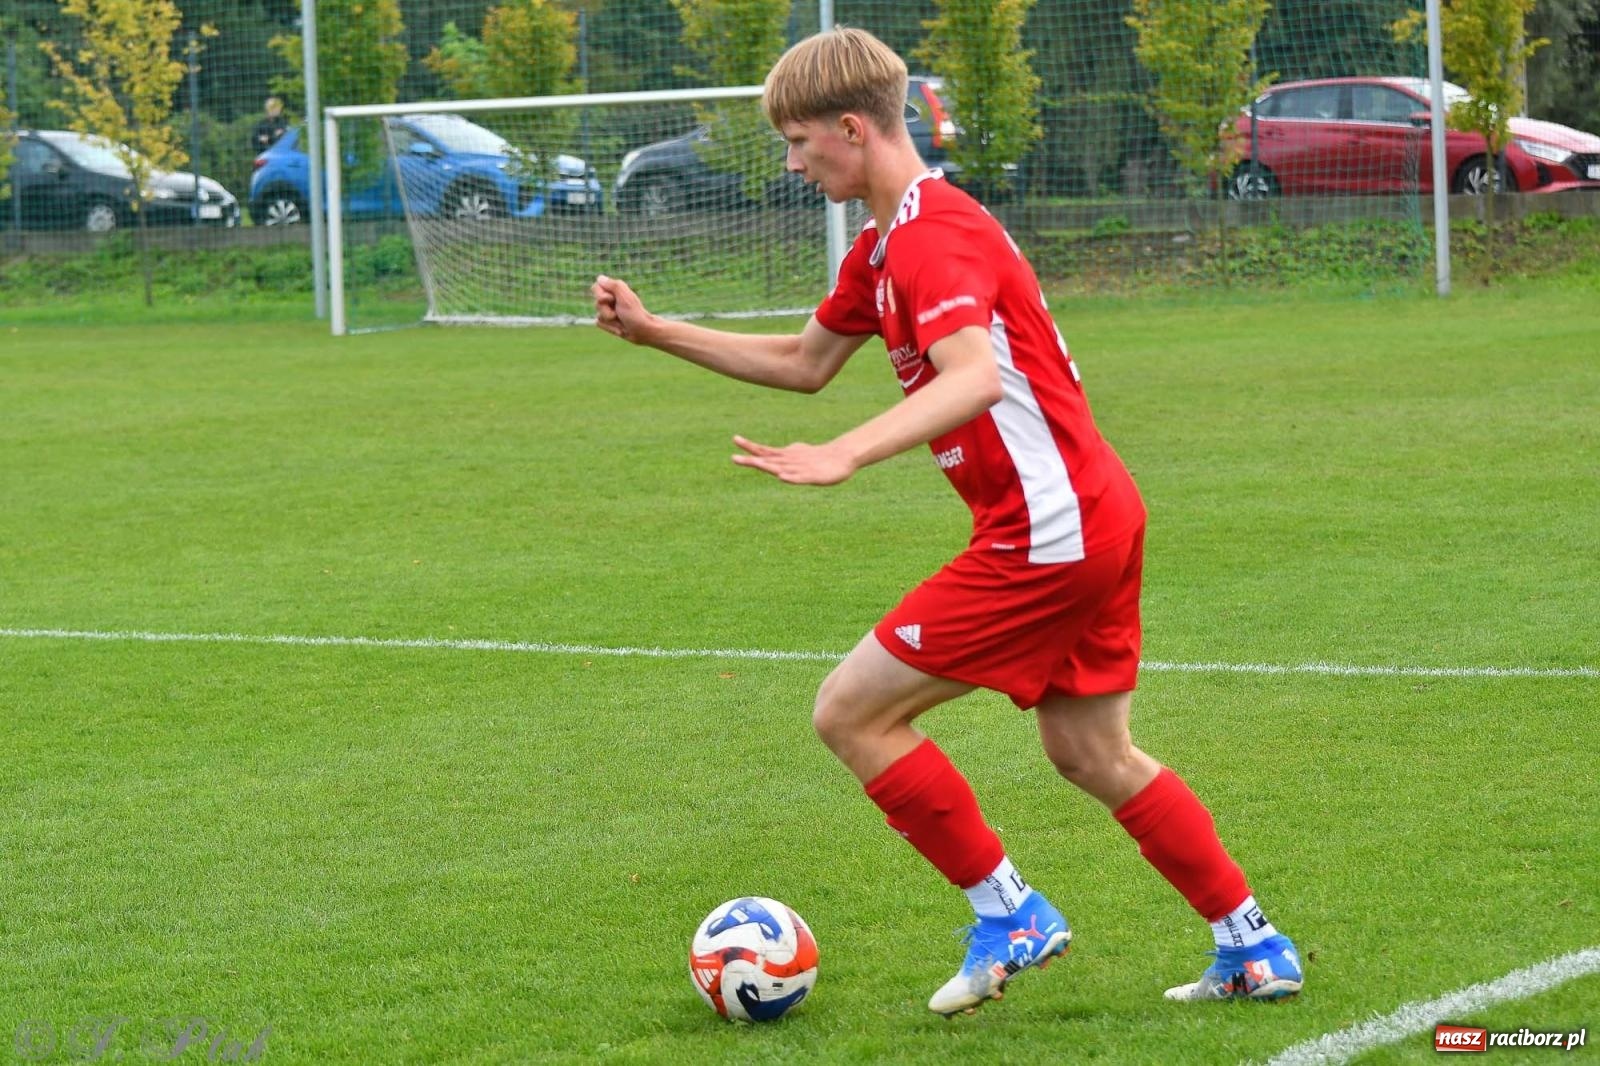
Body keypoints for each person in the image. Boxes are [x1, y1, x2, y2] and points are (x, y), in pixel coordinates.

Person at [592, 27, 1302, 1015]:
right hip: (1092, 514)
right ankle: (1252, 942)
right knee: (1090, 752)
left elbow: (974, 377)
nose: (794, 165)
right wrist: (654, 330)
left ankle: (1009, 911)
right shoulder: (889, 243)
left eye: (799, 143)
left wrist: (849, 452)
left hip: (1046, 533)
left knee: (849, 711)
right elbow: (804, 363)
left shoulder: (933, 236)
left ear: (851, 127)